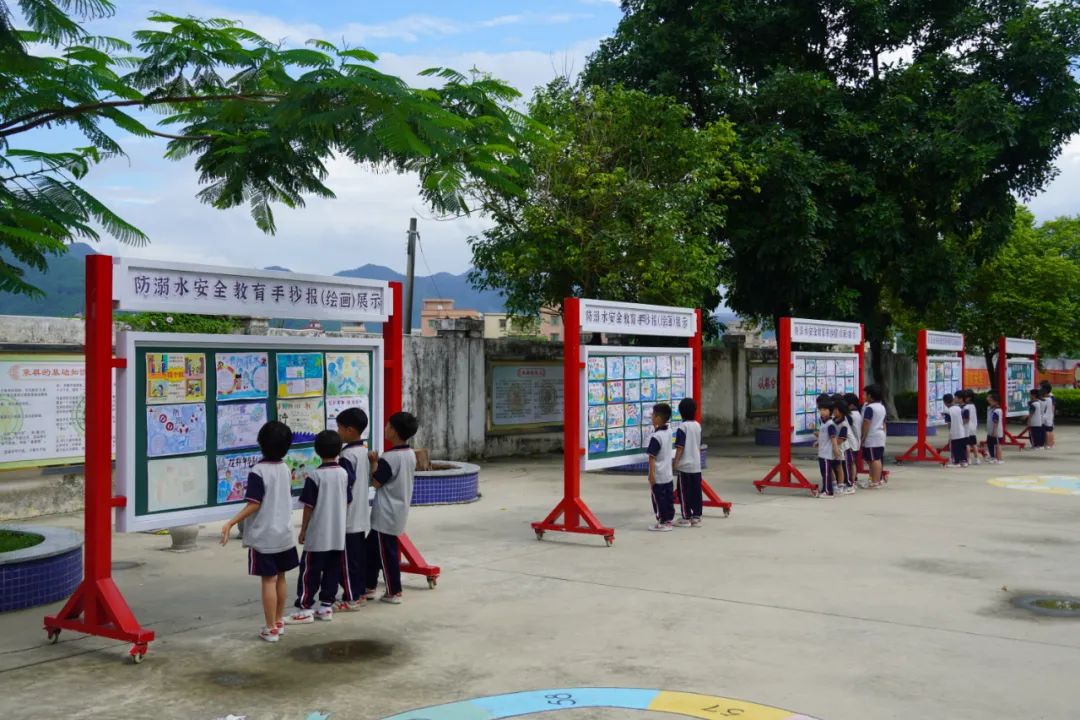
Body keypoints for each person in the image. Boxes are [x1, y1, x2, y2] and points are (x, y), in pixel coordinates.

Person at [220, 421, 298, 643]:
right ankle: (279, 621)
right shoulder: (285, 468)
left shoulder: (258, 471)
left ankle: (270, 628)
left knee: (268, 581)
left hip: (265, 537)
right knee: (281, 577)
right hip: (284, 534)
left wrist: (231, 522)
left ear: (261, 443)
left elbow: (254, 503)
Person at [289, 430, 351, 623]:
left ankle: (305, 607)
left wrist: (303, 530)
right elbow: (348, 500)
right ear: (339, 450)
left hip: (318, 535)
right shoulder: (343, 474)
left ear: (316, 450)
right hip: (337, 535)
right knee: (332, 570)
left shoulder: (315, 476)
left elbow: (309, 506)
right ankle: (326, 607)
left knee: (310, 572)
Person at [365, 411, 419, 604]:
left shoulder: (389, 457)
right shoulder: (410, 454)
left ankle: (394, 591)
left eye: (388, 426)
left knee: (387, 555)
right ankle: (369, 586)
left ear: (394, 431)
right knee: (371, 550)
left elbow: (376, 482)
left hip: (385, 513)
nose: (385, 428)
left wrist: (373, 463)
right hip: (398, 509)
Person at [335, 407, 370, 611]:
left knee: (347, 561)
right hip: (361, 515)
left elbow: (345, 485)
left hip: (349, 516)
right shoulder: (364, 451)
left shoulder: (347, 455)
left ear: (349, 430)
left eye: (339, 427)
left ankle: (351, 598)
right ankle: (359, 592)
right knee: (357, 558)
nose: (337, 431)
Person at [673, 398, 704, 527]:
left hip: (685, 467)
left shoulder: (682, 427)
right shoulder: (697, 426)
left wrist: (675, 462)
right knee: (696, 492)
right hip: (696, 465)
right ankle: (696, 516)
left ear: (681, 412)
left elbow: (680, 447)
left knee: (684, 493)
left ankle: (686, 517)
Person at [646, 403, 676, 531]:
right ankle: (668, 520)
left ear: (658, 418)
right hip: (668, 474)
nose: (651, 417)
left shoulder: (656, 437)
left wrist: (651, 474)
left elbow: (652, 457)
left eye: (653, 415)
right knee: (668, 499)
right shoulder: (669, 431)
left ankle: (662, 522)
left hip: (658, 475)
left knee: (659, 499)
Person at [860, 384, 888, 487]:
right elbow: (884, 423)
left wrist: (863, 436)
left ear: (870, 396)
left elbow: (866, 423)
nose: (863, 396)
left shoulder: (870, 408)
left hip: (872, 437)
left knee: (874, 459)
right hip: (879, 435)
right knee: (873, 459)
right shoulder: (882, 407)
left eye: (865, 394)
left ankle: (875, 481)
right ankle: (873, 479)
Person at [815, 396, 840, 498]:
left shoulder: (830, 424)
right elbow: (823, 436)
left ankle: (828, 492)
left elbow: (833, 438)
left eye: (825, 410)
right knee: (823, 472)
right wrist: (818, 442)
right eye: (821, 410)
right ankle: (824, 489)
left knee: (826, 473)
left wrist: (836, 449)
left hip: (826, 454)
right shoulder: (823, 423)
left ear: (830, 411)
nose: (822, 412)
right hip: (822, 452)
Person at [843, 393, 865, 488]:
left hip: (851, 444)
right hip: (856, 442)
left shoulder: (850, 415)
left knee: (850, 463)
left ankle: (851, 481)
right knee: (852, 462)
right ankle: (854, 479)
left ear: (851, 405)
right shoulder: (857, 413)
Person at [942, 393, 968, 468]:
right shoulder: (958, 408)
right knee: (962, 447)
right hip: (962, 431)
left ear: (945, 402)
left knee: (955, 448)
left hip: (954, 432)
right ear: (952, 400)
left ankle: (956, 462)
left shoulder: (947, 411)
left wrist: (950, 432)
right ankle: (964, 461)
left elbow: (949, 423)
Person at [962, 389, 980, 465]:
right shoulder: (973, 405)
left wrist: (962, 423)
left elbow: (966, 418)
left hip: (967, 427)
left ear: (968, 398)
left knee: (967, 444)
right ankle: (977, 459)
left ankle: (968, 459)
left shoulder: (966, 407)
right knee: (974, 444)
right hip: (973, 427)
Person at [986, 391, 1004, 464]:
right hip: (990, 431)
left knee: (997, 445)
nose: (989, 401)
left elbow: (995, 422)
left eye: (991, 400)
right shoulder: (991, 409)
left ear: (995, 401)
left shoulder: (997, 410)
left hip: (996, 431)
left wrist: (994, 431)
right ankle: (993, 457)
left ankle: (1000, 459)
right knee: (990, 444)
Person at [1041, 381, 1056, 449]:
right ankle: (1051, 444)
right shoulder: (1050, 397)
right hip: (1050, 415)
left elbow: (1052, 407)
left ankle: (1048, 444)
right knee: (1050, 430)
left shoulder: (1048, 398)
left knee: (1047, 430)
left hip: (1047, 416)